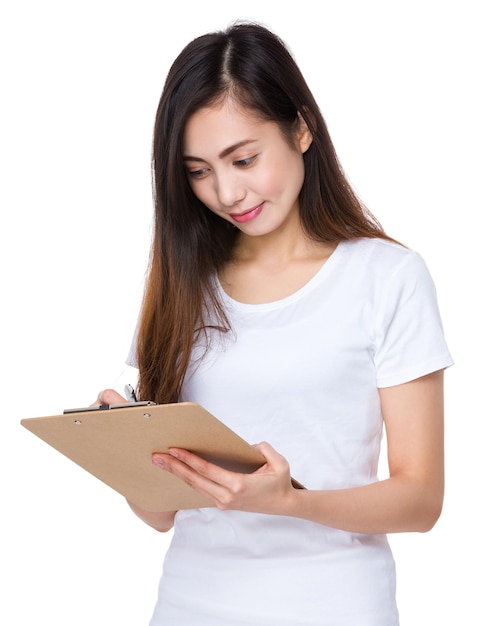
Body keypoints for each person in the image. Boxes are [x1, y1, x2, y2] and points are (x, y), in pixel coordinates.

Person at [98, 21, 453, 625]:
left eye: (244, 159)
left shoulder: (387, 277)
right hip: (190, 605)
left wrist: (290, 502)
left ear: (302, 128)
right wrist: (127, 456)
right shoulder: (180, 283)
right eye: (198, 170)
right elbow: (160, 516)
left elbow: (420, 501)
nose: (227, 192)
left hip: (334, 606)